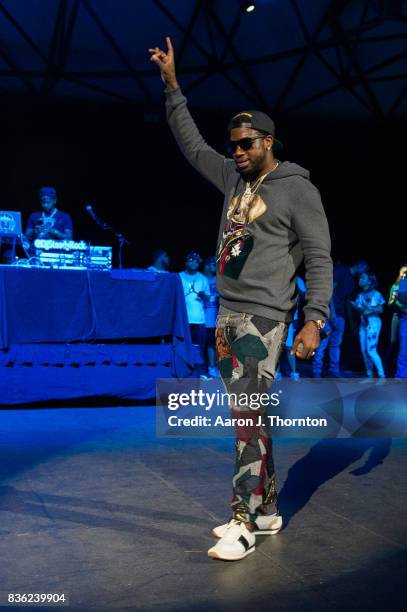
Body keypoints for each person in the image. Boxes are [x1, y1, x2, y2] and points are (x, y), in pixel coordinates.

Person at [150, 37, 332, 561]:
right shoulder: (233, 177)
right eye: (233, 145)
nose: (237, 152)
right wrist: (172, 87)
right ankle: (268, 509)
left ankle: (244, 520)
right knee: (246, 418)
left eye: (246, 144)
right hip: (226, 313)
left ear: (269, 142)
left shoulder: (298, 189)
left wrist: (314, 319)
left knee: (248, 418)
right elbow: (192, 145)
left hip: (265, 317)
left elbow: (320, 258)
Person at [179, 252, 210, 372]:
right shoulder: (179, 276)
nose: (194, 263)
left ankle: (200, 372)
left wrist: (203, 296)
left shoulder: (203, 278)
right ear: (186, 262)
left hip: (199, 320)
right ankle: (184, 371)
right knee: (183, 347)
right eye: (192, 260)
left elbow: (208, 298)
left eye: (197, 261)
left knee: (199, 348)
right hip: (183, 319)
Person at [351, 272, 385, 378]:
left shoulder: (376, 294)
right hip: (363, 323)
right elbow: (360, 310)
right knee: (364, 350)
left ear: (369, 281)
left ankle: (382, 375)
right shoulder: (360, 295)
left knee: (371, 350)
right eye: (360, 277)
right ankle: (369, 375)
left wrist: (368, 310)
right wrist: (357, 307)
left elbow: (380, 309)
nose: (360, 279)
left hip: (373, 322)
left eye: (363, 278)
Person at [388, 265, 407, 377]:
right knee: (395, 342)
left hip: (402, 313)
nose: (403, 274)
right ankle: (399, 375)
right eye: (402, 272)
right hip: (399, 315)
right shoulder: (397, 286)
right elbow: (390, 303)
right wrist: (396, 299)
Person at [203, 256, 220, 378]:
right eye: (213, 264)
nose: (215, 266)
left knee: (215, 344)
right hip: (202, 318)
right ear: (207, 265)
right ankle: (207, 368)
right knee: (203, 344)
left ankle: (214, 368)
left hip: (216, 318)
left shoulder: (219, 280)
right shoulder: (201, 279)